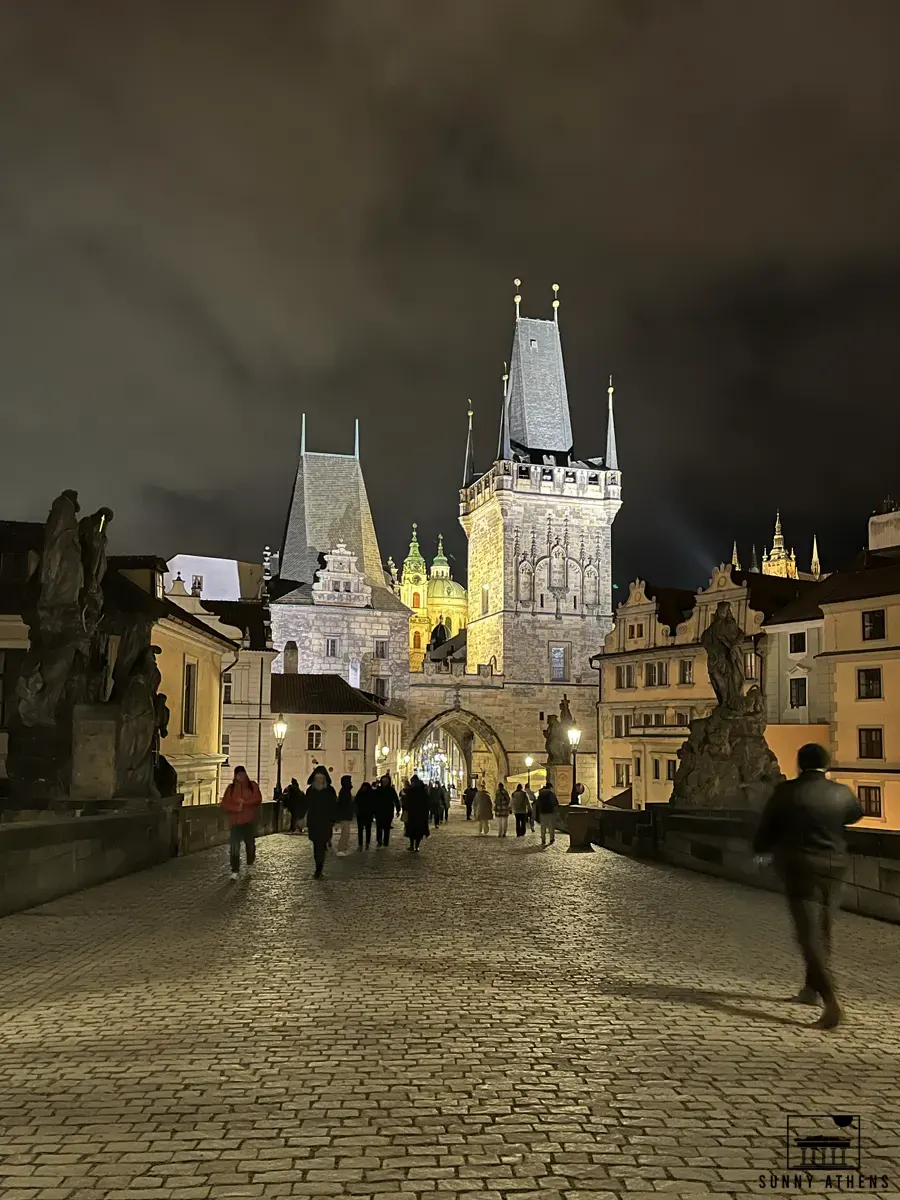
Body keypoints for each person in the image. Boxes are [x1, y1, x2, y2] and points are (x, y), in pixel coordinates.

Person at [753, 743, 862, 1030]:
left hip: (800, 866)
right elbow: (854, 814)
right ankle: (810, 990)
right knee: (824, 926)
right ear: (826, 765)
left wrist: (760, 850)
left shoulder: (787, 792)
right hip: (835, 866)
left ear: (800, 764)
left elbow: (768, 826)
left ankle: (831, 1001)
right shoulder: (841, 792)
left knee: (808, 933)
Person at [220, 766, 263, 879]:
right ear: (235, 776)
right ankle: (235, 869)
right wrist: (235, 808)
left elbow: (258, 799)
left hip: (248, 820)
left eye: (242, 774)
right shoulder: (231, 788)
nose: (241, 777)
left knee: (250, 844)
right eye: (239, 775)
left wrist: (245, 802)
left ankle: (250, 863)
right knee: (234, 846)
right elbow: (224, 803)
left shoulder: (252, 785)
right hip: (235, 822)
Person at [305, 766, 337, 878]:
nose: (319, 780)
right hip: (313, 821)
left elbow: (334, 806)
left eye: (321, 778)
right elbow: (306, 805)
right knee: (316, 845)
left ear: (325, 779)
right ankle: (318, 866)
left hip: (325, 822)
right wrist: (301, 818)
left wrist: (334, 820)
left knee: (321, 844)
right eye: (317, 778)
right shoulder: (310, 791)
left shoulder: (330, 791)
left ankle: (320, 866)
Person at [404, 774, 431, 851]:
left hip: (413, 813)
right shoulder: (423, 791)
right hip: (420, 814)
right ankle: (416, 846)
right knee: (419, 831)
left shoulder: (411, 791)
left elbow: (407, 801)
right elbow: (427, 801)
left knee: (412, 830)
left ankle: (413, 845)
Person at [374, 774, 399, 847]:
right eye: (384, 781)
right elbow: (374, 800)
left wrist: (398, 809)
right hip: (379, 811)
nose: (385, 782)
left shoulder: (391, 790)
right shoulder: (378, 790)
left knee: (387, 827)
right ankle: (379, 840)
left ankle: (385, 841)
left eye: (386, 781)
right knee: (379, 826)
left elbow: (396, 800)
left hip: (388, 811)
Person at [335, 775, 355, 856]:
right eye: (349, 781)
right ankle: (341, 849)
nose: (350, 783)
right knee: (345, 833)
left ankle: (344, 848)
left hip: (345, 815)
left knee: (346, 833)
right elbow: (343, 805)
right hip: (344, 815)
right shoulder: (344, 791)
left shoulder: (345, 791)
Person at [535, 781, 559, 846]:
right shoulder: (551, 793)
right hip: (550, 812)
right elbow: (556, 802)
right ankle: (551, 838)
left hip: (542, 812)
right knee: (551, 826)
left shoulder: (541, 794)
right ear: (550, 787)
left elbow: (537, 803)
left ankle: (543, 839)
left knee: (543, 827)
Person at [355, 781, 375, 850]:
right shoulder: (361, 794)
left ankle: (366, 843)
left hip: (367, 814)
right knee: (361, 830)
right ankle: (361, 844)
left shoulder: (368, 794)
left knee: (367, 830)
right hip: (362, 814)